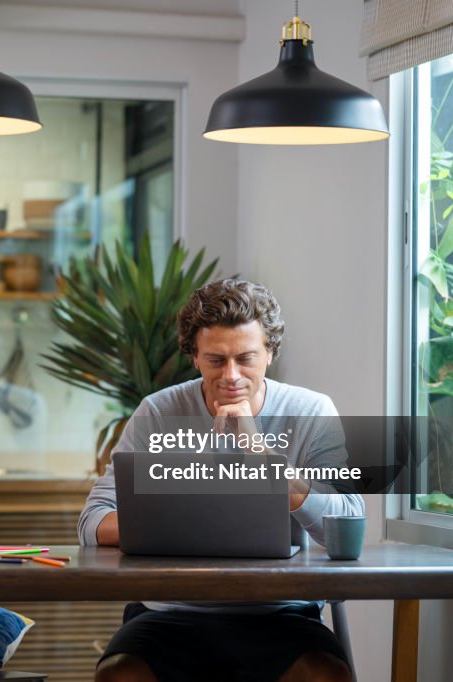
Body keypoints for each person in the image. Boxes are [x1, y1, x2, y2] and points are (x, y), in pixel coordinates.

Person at [79, 278, 364, 682]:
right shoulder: (159, 412)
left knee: (326, 675)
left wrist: (260, 458)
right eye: (215, 360)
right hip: (171, 615)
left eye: (246, 358)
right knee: (120, 676)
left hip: (281, 614)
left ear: (270, 353)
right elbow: (92, 521)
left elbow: (347, 521)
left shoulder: (311, 410)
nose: (231, 375)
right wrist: (175, 527)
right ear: (194, 357)